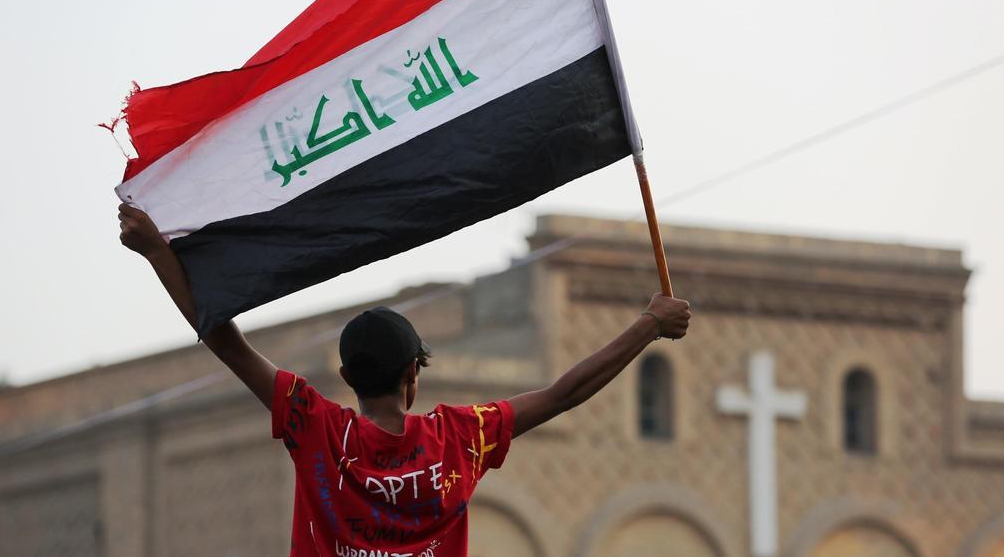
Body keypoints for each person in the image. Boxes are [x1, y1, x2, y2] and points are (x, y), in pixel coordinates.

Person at [119, 203, 691, 557]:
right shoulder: (460, 440)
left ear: (345, 376)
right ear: (412, 377)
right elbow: (564, 393)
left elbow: (226, 340)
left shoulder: (316, 427)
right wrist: (648, 325)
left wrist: (157, 253)